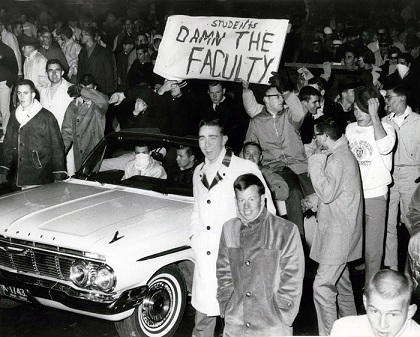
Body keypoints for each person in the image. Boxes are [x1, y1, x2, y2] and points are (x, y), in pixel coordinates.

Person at [190, 119, 275, 337]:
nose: (206, 144)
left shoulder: (244, 167)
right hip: (206, 257)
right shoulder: (198, 171)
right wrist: (195, 238)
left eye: (212, 138)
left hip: (235, 258)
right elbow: (196, 211)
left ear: (224, 139)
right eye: (202, 138)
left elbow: (268, 213)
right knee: (203, 320)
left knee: (239, 320)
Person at [216, 173, 304, 336]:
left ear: (263, 199)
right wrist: (226, 306)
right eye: (241, 200)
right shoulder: (229, 229)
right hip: (236, 326)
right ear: (235, 201)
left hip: (272, 326)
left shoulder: (285, 230)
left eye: (251, 199)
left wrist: (283, 315)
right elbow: (223, 272)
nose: (246, 207)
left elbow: (293, 277)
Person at [307, 118, 363, 335]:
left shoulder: (337, 159)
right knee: (342, 285)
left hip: (339, 234)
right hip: (342, 231)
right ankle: (353, 330)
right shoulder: (341, 154)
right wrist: (316, 201)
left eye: (316, 135)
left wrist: (315, 161)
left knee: (322, 287)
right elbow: (339, 191)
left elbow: (328, 192)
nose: (314, 139)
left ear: (325, 137)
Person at [244, 77, 315, 238]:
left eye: (281, 95)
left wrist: (285, 90)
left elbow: (300, 112)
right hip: (277, 168)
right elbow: (250, 148)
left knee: (316, 194)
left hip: (300, 166)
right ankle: (298, 241)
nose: (281, 99)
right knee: (294, 193)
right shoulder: (256, 122)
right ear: (265, 100)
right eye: (276, 96)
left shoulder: (289, 116)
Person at [346, 86, 396, 290]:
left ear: (373, 110)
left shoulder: (387, 128)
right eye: (355, 109)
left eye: (361, 110)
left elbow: (384, 147)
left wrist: (376, 118)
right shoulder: (350, 129)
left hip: (376, 195)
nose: (357, 114)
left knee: (373, 251)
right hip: (353, 195)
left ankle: (371, 291)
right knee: (350, 245)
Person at [0, 79, 66, 187]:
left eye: (25, 93)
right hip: (19, 173)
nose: (22, 97)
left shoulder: (46, 116)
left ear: (33, 94)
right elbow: (8, 143)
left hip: (40, 173)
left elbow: (57, 147)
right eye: (19, 93)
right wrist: (4, 169)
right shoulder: (14, 115)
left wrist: (58, 174)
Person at [382, 84, 420, 271]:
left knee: (411, 222)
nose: (386, 101)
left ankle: (416, 265)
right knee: (388, 223)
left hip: (411, 175)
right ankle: (393, 268)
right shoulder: (383, 121)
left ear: (402, 98)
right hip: (389, 177)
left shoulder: (417, 121)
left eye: (389, 97)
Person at [331, 270, 420, 337]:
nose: (382, 325)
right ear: (365, 302)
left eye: (393, 314)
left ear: (410, 312)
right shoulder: (343, 330)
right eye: (375, 311)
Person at [61, 74, 108, 173]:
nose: (86, 94)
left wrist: (82, 90)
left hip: (94, 155)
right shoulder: (73, 105)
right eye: (82, 88)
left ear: (95, 89)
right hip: (79, 155)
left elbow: (104, 101)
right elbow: (66, 132)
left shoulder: (98, 107)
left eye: (89, 90)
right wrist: (59, 155)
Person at [242, 141, 289, 215]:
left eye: (255, 154)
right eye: (247, 153)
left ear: (260, 157)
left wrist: (267, 192)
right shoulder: (234, 171)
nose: (251, 157)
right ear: (242, 155)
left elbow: (284, 190)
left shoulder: (265, 172)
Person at [77, 27, 115, 95]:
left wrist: (110, 92)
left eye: (82, 35)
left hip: (101, 90)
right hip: (86, 90)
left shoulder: (103, 52)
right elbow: (80, 71)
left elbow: (109, 73)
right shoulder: (82, 51)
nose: (80, 37)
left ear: (88, 36)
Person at [0, 33, 18, 139]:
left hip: (3, 84)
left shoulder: (7, 50)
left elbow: (14, 69)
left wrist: (8, 84)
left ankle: (6, 134)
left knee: (4, 109)